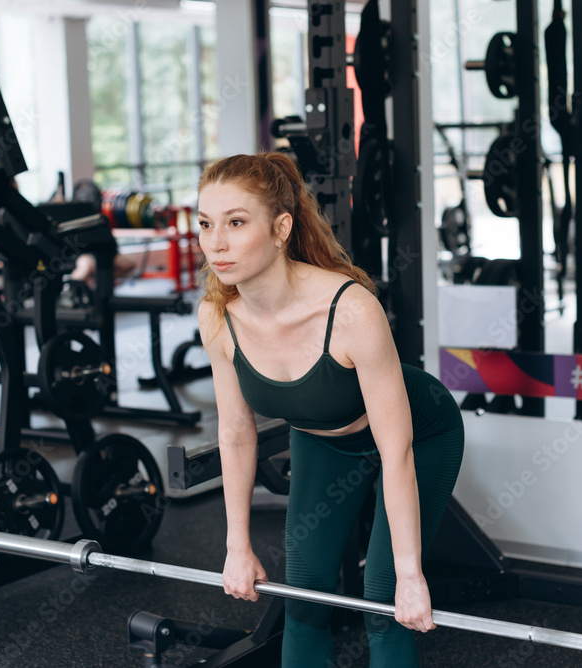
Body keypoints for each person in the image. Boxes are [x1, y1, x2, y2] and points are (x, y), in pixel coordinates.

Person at [196, 153, 465, 667]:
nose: (217, 243)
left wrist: (411, 577)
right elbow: (235, 433)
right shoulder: (216, 315)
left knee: (383, 602)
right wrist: (237, 545)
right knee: (304, 597)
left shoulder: (350, 309)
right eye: (206, 224)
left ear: (280, 229)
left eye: (235, 223)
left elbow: (396, 450)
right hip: (322, 438)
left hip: (417, 434)